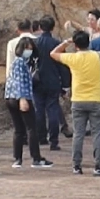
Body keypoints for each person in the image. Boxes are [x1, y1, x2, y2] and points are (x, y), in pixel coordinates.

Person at [51, 31, 100, 177]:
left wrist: (67, 42)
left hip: (78, 100)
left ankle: (76, 166)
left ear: (76, 44)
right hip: (97, 99)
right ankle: (99, 166)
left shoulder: (73, 58)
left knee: (78, 134)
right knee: (98, 134)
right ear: (89, 42)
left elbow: (53, 53)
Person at [5, 36, 51, 168]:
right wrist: (22, 99)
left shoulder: (20, 62)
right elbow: (19, 81)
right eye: (27, 48)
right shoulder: (20, 63)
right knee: (31, 128)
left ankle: (17, 159)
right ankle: (36, 158)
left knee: (19, 130)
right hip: (21, 97)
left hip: (11, 97)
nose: (29, 51)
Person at [32, 17, 67, 151]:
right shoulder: (57, 44)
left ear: (40, 27)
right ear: (53, 28)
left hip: (37, 80)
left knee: (38, 109)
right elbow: (63, 66)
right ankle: (54, 141)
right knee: (52, 109)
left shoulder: (35, 43)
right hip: (53, 81)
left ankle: (41, 138)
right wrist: (65, 85)